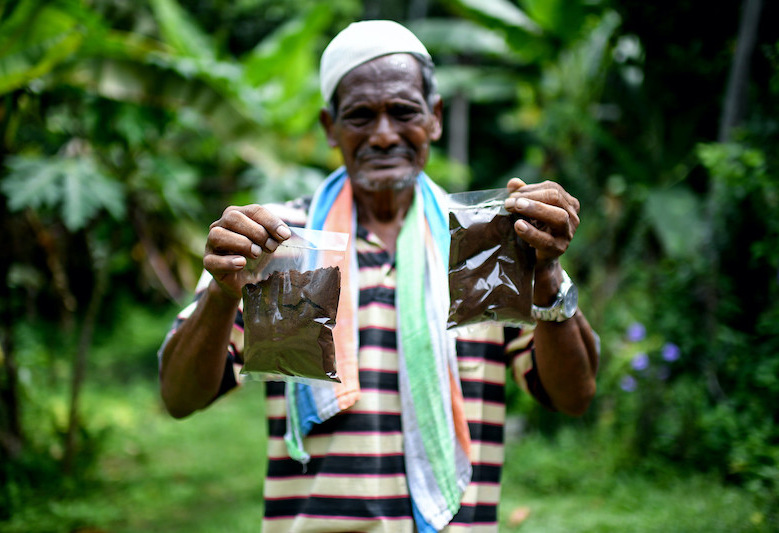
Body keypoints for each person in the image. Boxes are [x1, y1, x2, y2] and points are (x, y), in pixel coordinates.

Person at [159, 19, 599, 533]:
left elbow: (573, 397)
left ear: (433, 118)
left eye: (404, 112)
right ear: (330, 127)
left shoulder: (484, 242)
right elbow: (179, 397)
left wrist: (546, 273)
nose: (384, 133)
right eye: (361, 116)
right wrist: (220, 294)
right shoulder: (279, 242)